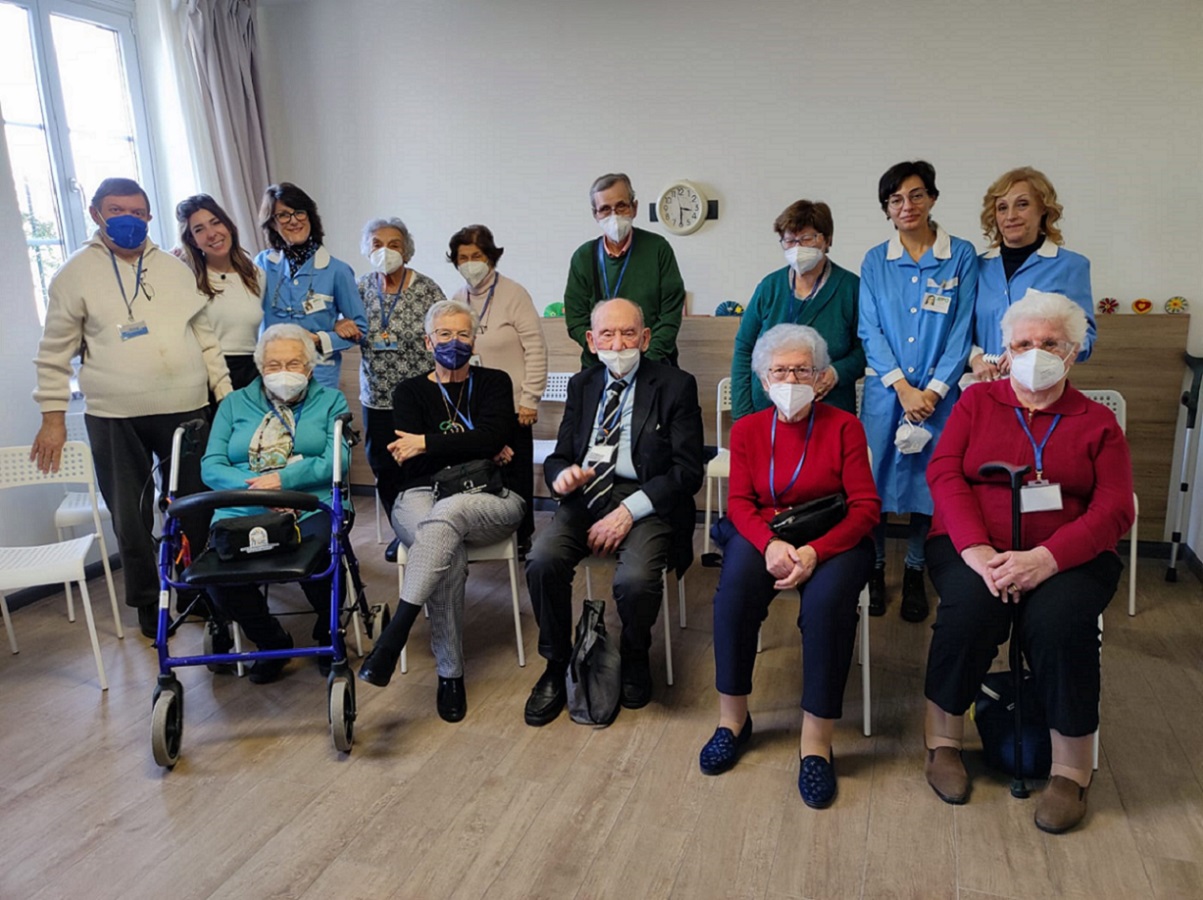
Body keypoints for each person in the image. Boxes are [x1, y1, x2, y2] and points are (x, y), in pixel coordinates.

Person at [921, 291, 1133, 834]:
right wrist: (979, 551)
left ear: (1072, 351)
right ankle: (943, 743)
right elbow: (944, 474)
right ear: (1005, 349)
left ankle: (1070, 771)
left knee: (1060, 626)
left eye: (1049, 343)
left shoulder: (1096, 421)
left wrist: (1047, 558)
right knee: (967, 615)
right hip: (976, 549)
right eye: (1022, 343)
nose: (1034, 352)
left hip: (1070, 557)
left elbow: (1115, 507)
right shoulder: (976, 403)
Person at [30, 176, 231, 639]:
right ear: (97, 214)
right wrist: (53, 418)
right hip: (112, 413)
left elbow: (204, 335)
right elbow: (54, 352)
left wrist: (224, 393)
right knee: (130, 514)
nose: (128, 220)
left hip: (185, 404)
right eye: (117, 210)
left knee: (195, 505)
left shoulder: (175, 268)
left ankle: (198, 590)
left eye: (137, 212)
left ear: (149, 217)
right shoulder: (74, 273)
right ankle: (146, 600)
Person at [701, 324, 878, 807]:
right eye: (780, 369)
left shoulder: (845, 426)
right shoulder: (749, 429)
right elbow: (738, 504)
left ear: (822, 378)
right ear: (763, 378)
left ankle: (816, 743)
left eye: (803, 369)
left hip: (835, 539)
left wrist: (815, 552)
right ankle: (732, 720)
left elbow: (866, 508)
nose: (791, 378)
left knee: (826, 607)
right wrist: (768, 546)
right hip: (766, 535)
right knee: (734, 593)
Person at [523, 298, 704, 726]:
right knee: (541, 561)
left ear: (644, 338)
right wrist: (561, 474)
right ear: (591, 340)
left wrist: (628, 511)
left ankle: (635, 653)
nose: (618, 343)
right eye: (607, 334)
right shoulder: (582, 384)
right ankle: (556, 662)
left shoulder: (676, 385)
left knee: (636, 579)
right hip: (586, 492)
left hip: (647, 497)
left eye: (628, 334)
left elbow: (686, 471)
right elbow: (561, 452)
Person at [356, 301, 526, 723]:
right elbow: (410, 462)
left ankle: (394, 637)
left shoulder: (494, 382)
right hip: (418, 493)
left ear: (474, 339)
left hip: (491, 496)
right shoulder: (409, 391)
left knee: (447, 515)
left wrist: (428, 443)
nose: (454, 343)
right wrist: (480, 444)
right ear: (428, 341)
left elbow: (492, 435)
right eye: (445, 335)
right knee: (445, 546)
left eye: (463, 334)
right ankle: (450, 675)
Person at [858, 160, 977, 622]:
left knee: (932, 482)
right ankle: (874, 567)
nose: (906, 206)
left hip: (939, 396)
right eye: (895, 199)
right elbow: (870, 330)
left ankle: (914, 569)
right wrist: (903, 388)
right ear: (886, 208)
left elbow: (962, 329)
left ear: (931, 198)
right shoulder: (875, 260)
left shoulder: (960, 255)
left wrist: (933, 390)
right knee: (876, 482)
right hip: (888, 393)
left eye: (915, 195)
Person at [200, 324, 350, 683]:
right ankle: (269, 640)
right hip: (242, 505)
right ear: (260, 367)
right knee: (218, 576)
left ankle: (327, 634)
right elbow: (211, 464)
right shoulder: (234, 404)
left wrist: (284, 482)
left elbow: (337, 460)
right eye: (273, 365)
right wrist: (258, 491)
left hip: (310, 503)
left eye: (294, 363)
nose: (283, 372)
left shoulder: (331, 401)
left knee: (320, 557)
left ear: (310, 368)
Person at [448, 224, 548, 553]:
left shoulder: (513, 293)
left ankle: (521, 536)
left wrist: (530, 399)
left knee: (515, 472)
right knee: (482, 469)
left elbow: (535, 348)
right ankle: (484, 532)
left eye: (476, 255)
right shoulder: (458, 299)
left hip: (515, 403)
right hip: (473, 404)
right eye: (462, 257)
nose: (469, 263)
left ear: (490, 257)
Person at [355, 216, 447, 553]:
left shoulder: (426, 288)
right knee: (383, 466)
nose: (385, 251)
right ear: (367, 250)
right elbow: (343, 323)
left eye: (394, 244)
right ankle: (401, 531)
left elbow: (443, 332)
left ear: (406, 252)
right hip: (376, 396)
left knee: (420, 464)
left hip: (420, 396)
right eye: (377, 244)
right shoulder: (360, 288)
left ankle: (430, 530)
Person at [731, 200, 864, 418]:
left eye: (807, 239)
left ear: (827, 240)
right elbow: (744, 348)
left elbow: (865, 349)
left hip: (828, 407)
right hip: (767, 410)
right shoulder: (769, 287)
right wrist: (743, 416)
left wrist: (836, 372)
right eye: (790, 240)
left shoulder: (850, 288)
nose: (798, 248)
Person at [970, 167, 1095, 381]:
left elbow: (1085, 340)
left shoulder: (1071, 266)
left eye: (1022, 204)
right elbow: (958, 331)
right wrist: (974, 358)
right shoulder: (975, 267)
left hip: (1041, 390)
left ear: (1043, 209)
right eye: (1002, 208)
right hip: (982, 387)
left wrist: (1033, 354)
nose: (1010, 216)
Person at [563, 173, 686, 367]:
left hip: (653, 365)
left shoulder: (658, 249)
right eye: (605, 209)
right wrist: (606, 352)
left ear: (634, 207)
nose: (614, 215)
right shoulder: (584, 257)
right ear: (595, 214)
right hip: (599, 366)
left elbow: (670, 314)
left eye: (621, 206)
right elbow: (576, 320)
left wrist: (644, 360)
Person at [256, 182, 367, 390]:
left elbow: (361, 329)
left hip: (319, 373)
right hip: (273, 372)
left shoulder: (337, 270)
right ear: (272, 223)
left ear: (310, 216)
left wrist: (320, 338)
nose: (293, 221)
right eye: (283, 215)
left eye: (299, 212)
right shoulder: (262, 265)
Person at [175, 193, 266, 390]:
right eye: (199, 229)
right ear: (192, 240)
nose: (211, 233)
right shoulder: (187, 277)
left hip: (250, 375)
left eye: (215, 223)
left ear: (228, 226)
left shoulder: (255, 274)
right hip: (205, 376)